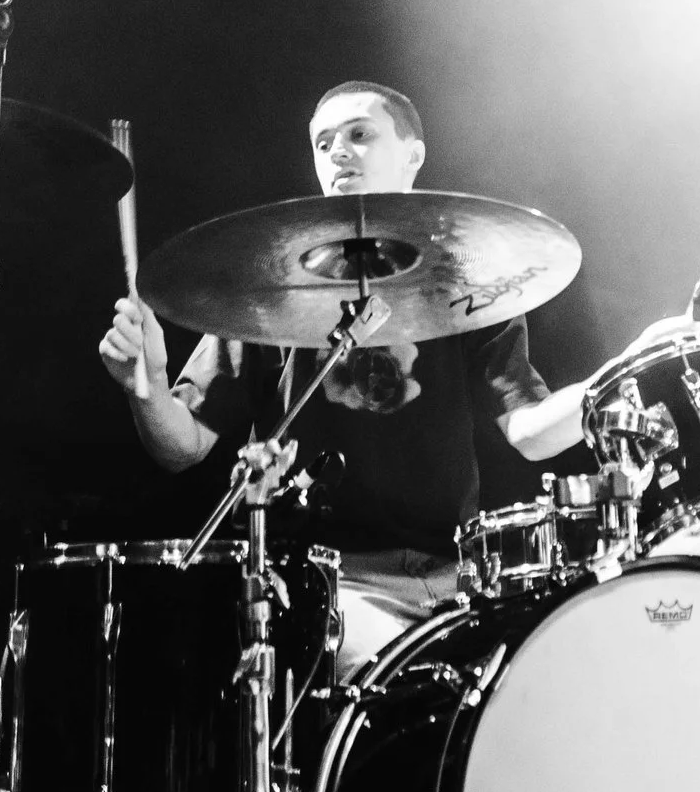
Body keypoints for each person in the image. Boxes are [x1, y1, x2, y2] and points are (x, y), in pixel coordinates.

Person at [98, 80, 587, 672]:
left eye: (360, 134)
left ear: (413, 155)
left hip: (462, 577)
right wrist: (144, 386)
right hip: (334, 583)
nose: (338, 152)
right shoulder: (266, 293)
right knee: (377, 684)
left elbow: (532, 433)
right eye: (323, 142)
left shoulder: (467, 284)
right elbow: (184, 446)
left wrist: (620, 376)